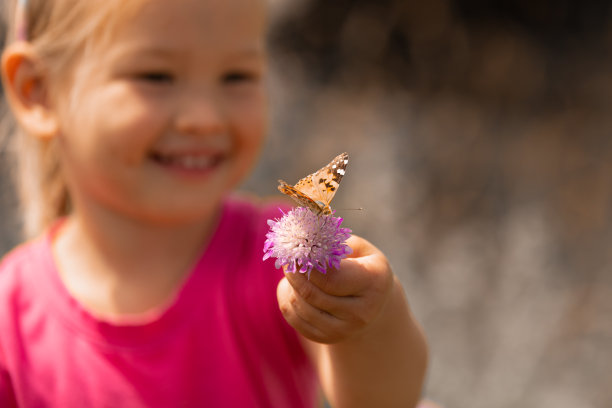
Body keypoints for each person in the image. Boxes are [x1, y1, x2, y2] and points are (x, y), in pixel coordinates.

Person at [0, 0, 429, 407]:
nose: (204, 118)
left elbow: (383, 400)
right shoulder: (9, 317)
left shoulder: (284, 255)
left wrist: (369, 320)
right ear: (38, 90)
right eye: (156, 76)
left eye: (236, 77)